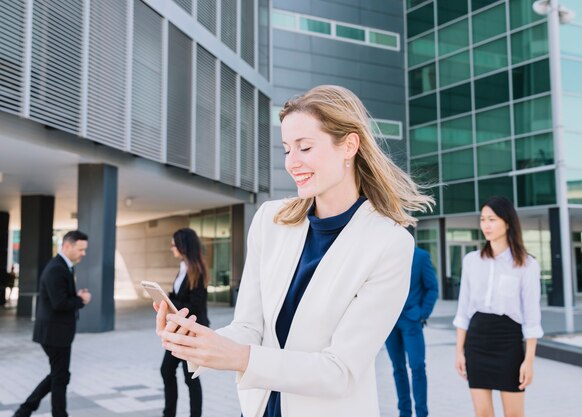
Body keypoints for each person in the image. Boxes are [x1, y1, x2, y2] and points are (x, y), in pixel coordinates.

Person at [154, 85, 433, 417]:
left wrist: (240, 357)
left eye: (304, 147)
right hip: (259, 409)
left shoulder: (389, 243)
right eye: (287, 149)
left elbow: (339, 370)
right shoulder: (269, 221)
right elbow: (249, 326)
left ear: (349, 145)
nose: (292, 162)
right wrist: (201, 342)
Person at [453, 196, 543, 417]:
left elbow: (532, 318)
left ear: (508, 222)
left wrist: (528, 361)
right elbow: (463, 310)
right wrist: (459, 352)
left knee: (514, 414)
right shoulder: (471, 261)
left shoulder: (527, 265)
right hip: (476, 341)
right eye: (483, 219)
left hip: (508, 342)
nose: (486, 225)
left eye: (492, 219)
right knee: (482, 413)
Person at [13, 231, 92, 417]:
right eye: (81, 249)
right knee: (60, 377)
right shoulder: (57, 268)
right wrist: (82, 301)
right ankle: (37, 411)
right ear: (67, 246)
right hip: (54, 334)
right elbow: (59, 303)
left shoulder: (64, 266)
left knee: (60, 375)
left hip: (56, 333)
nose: (84, 253)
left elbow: (60, 297)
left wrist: (76, 296)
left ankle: (24, 411)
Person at [161, 228, 209, 417]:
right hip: (178, 332)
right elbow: (178, 295)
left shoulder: (197, 270)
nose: (172, 248)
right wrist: (165, 298)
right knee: (167, 371)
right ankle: (169, 413)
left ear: (183, 246)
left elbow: (195, 306)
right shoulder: (183, 267)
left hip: (189, 333)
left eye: (174, 245)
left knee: (191, 378)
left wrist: (170, 302)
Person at [385, 246, 439, 417]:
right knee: (398, 367)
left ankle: (422, 413)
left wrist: (423, 314)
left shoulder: (421, 256)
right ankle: (405, 413)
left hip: (412, 320)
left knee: (417, 366)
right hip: (389, 321)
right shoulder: (385, 254)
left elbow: (432, 288)